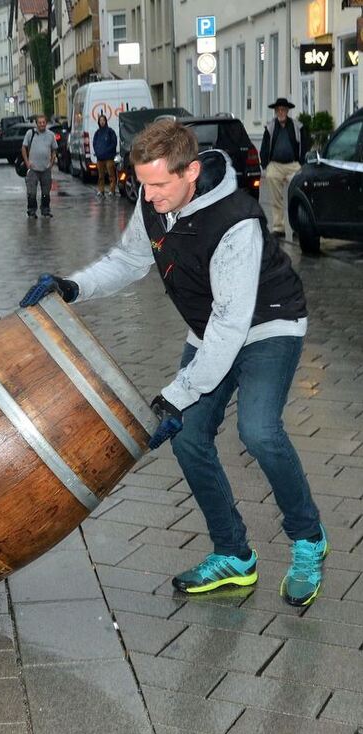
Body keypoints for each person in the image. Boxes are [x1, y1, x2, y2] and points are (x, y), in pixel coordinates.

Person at [20, 120, 327, 607]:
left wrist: (174, 396)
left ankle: (308, 539)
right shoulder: (153, 200)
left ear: (192, 171)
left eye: (160, 184)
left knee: (259, 431)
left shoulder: (236, 221)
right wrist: (73, 287)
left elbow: (231, 327)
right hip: (210, 331)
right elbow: (129, 261)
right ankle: (233, 555)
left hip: (268, 325)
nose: (149, 195)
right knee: (188, 437)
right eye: (143, 183)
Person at [260, 97, 309, 237]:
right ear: (275, 112)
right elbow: (264, 148)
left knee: (298, 194)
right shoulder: (270, 127)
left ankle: (298, 226)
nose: (281, 112)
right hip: (275, 165)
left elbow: (304, 145)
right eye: (278, 110)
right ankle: (278, 227)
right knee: (275, 197)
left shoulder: (296, 126)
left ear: (287, 111)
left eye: (283, 110)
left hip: (293, 165)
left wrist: (301, 164)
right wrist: (265, 165)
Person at [22, 114, 57, 217]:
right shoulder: (30, 133)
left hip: (46, 168)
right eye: (40, 123)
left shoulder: (51, 135)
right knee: (31, 192)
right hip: (33, 168)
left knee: (46, 191)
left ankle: (45, 209)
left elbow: (54, 149)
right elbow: (24, 147)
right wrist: (27, 162)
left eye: (44, 122)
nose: (42, 124)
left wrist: (51, 162)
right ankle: (31, 210)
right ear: (36, 124)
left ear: (46, 123)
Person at [93, 113, 118, 198]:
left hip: (109, 157)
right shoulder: (97, 133)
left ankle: (112, 190)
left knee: (111, 175)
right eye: (100, 120)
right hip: (100, 158)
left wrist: (108, 151)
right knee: (101, 176)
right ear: (98, 122)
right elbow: (94, 143)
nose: (102, 122)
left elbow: (114, 143)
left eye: (103, 120)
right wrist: (97, 151)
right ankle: (101, 190)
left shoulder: (110, 131)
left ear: (106, 121)